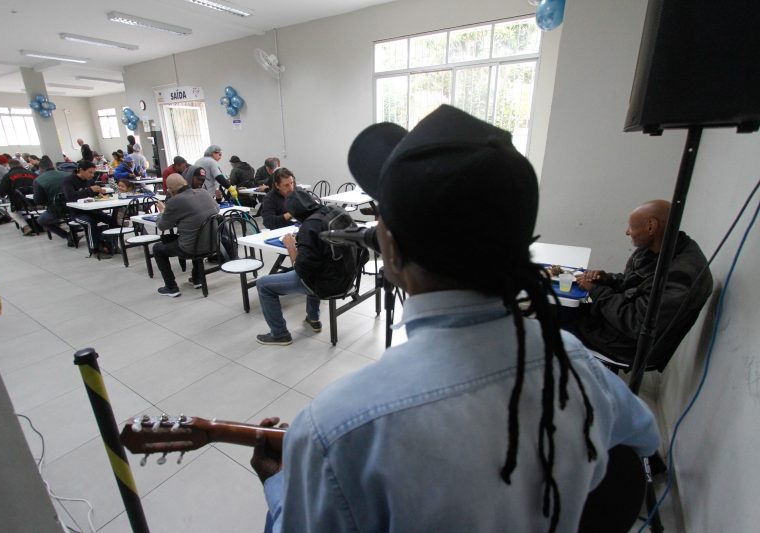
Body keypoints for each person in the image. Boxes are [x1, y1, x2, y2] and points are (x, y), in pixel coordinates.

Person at [250, 105, 660, 532]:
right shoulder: (575, 361)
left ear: (390, 250)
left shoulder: (339, 426)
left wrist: (278, 484)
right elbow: (642, 438)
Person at [565, 199, 713, 366]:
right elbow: (631, 283)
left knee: (553, 322)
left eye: (631, 227)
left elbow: (637, 323)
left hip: (630, 346)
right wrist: (607, 279)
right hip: (617, 327)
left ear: (651, 227)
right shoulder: (658, 246)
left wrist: (596, 291)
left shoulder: (681, 275)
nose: (627, 232)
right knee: (559, 308)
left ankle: (574, 377)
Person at [254, 191, 329, 345]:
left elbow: (302, 271)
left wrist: (290, 246)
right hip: (343, 275)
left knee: (262, 284)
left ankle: (279, 334)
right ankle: (313, 318)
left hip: (323, 282)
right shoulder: (331, 213)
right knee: (318, 265)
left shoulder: (309, 227)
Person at [152, 173, 219, 297]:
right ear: (185, 182)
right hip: (214, 243)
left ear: (170, 190)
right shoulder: (204, 192)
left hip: (191, 248)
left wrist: (162, 212)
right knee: (195, 235)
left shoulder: (174, 201)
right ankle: (197, 279)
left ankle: (171, 287)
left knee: (157, 248)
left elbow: (162, 226)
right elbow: (217, 210)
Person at [64, 160, 114, 255]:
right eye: (90, 172)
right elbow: (71, 197)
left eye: (93, 173)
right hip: (77, 213)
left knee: (111, 220)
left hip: (92, 210)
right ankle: (94, 249)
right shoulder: (68, 180)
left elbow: (93, 194)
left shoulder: (89, 180)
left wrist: (99, 193)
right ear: (81, 170)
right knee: (90, 222)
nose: (92, 175)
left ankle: (111, 245)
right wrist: (90, 190)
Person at [33, 158, 77, 246]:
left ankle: (67, 235)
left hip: (56, 211)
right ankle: (74, 230)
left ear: (40, 169)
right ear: (52, 165)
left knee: (41, 220)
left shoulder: (38, 180)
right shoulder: (68, 174)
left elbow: (39, 201)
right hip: (75, 207)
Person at [0, 159, 38, 236]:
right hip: (37, 200)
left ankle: (26, 227)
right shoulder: (32, 174)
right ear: (20, 164)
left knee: (10, 210)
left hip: (20, 204)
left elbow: (1, 191)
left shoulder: (7, 176)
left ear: (9, 166)